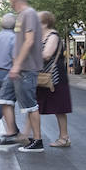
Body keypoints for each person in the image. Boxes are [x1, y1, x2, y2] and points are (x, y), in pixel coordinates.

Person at [3, 0, 45, 153]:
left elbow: (29, 41)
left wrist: (18, 65)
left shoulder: (28, 14)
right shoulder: (21, 16)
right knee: (5, 97)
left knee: (30, 104)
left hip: (27, 68)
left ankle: (37, 140)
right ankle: (14, 133)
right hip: (19, 69)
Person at [36, 11, 73, 147]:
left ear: (45, 23)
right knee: (34, 107)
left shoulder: (53, 36)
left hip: (54, 78)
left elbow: (46, 55)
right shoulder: (39, 36)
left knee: (59, 108)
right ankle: (32, 135)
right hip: (41, 77)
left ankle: (64, 138)